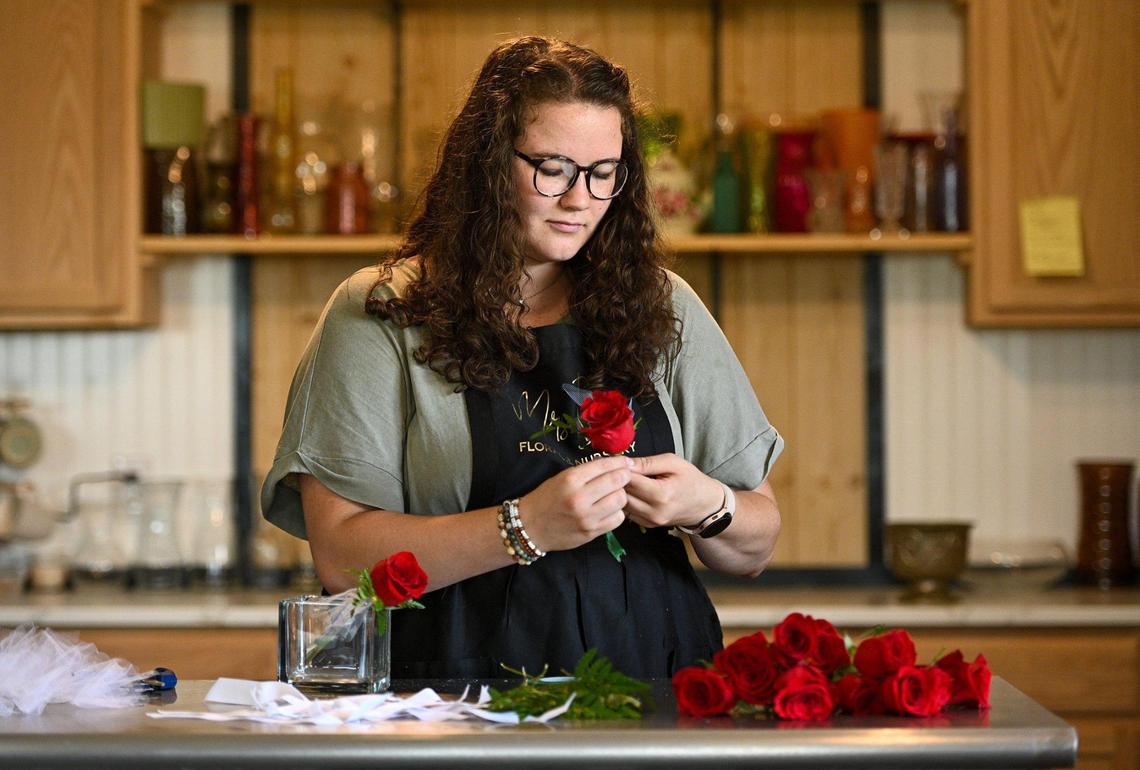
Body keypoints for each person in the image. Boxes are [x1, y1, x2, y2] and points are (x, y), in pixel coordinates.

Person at [261, 36, 783, 680]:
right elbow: (342, 558)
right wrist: (525, 526)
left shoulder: (664, 305)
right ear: (486, 163)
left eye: (603, 172)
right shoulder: (382, 312)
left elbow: (754, 544)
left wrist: (706, 504)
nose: (579, 199)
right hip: (447, 696)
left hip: (653, 684)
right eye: (554, 168)